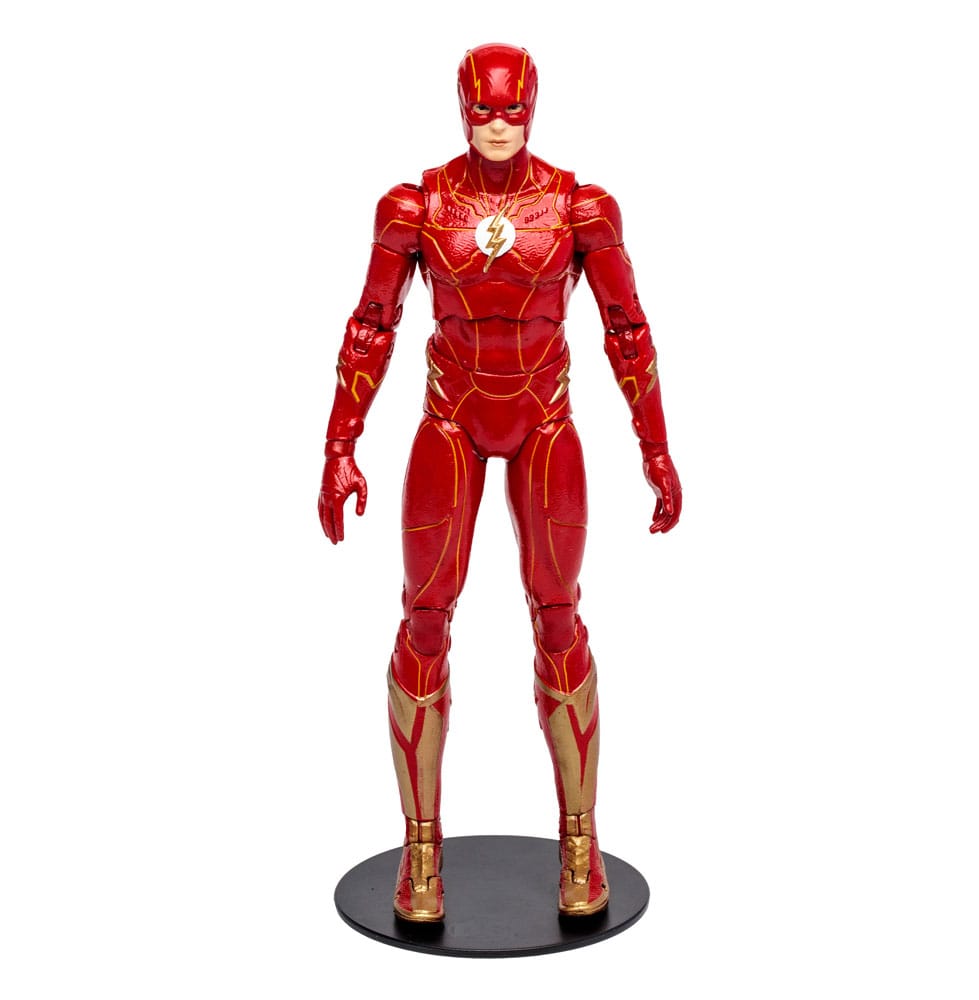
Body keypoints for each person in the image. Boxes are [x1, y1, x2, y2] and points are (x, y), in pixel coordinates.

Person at [318, 43, 681, 922]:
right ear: (461, 107)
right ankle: (421, 849)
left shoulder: (580, 206)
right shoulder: (414, 206)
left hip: (543, 420)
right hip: (451, 416)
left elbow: (627, 328)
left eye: (511, 108)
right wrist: (339, 442)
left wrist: (656, 448)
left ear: (532, 106)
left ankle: (580, 840)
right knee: (424, 618)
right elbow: (372, 324)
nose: (496, 123)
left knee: (559, 616)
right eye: (482, 108)